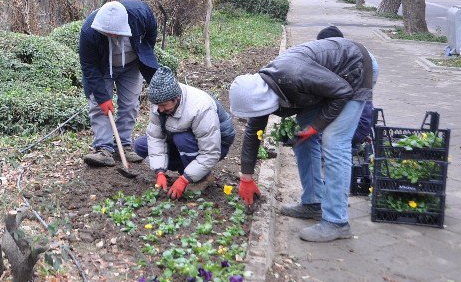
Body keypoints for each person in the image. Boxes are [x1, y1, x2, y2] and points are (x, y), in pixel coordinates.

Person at [229, 34, 373, 242]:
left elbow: (342, 92)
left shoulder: (293, 76)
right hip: (330, 83)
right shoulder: (261, 89)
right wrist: (246, 177)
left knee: (334, 142)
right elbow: (253, 132)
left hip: (354, 69)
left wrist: (317, 127)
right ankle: (314, 202)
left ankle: (337, 222)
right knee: (301, 137)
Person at [133, 66, 236, 199]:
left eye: (164, 105)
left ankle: (201, 178)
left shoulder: (200, 107)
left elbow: (210, 152)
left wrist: (184, 179)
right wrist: (160, 172)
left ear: (176, 98)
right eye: (157, 105)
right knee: (141, 145)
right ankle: (189, 169)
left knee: (182, 139)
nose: (160, 109)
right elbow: (155, 137)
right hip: (183, 138)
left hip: (217, 144)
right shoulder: (159, 101)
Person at [79, 0, 159, 167]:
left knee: (130, 104)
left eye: (115, 33)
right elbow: (89, 67)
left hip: (131, 65)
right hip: (102, 68)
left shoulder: (140, 14)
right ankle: (103, 149)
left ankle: (124, 144)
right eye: (107, 33)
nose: (112, 36)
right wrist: (103, 98)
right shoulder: (89, 31)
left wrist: (144, 53)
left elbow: (151, 33)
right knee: (98, 105)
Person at [316, 26, 379, 147]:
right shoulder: (345, 46)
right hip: (370, 64)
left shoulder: (338, 53)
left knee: (354, 99)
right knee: (360, 99)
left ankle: (356, 133)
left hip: (363, 66)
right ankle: (357, 131)